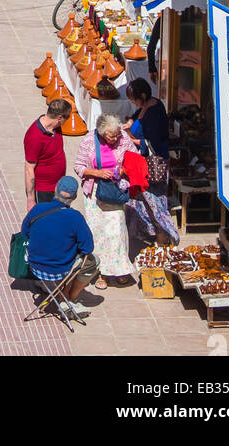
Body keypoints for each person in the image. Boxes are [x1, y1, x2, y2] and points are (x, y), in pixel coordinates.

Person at [73, 113, 138, 288]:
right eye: (111, 135)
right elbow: (78, 166)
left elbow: (135, 158)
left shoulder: (123, 138)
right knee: (98, 233)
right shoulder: (88, 141)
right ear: (101, 133)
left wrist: (123, 170)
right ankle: (102, 273)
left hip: (115, 192)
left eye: (117, 134)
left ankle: (119, 269)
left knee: (117, 230)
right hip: (95, 193)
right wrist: (98, 173)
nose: (115, 138)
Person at [20, 176, 99, 317]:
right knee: (94, 262)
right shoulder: (75, 217)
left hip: (35, 267)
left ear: (55, 190)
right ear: (74, 197)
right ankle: (70, 297)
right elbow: (88, 248)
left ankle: (58, 292)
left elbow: (25, 233)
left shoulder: (38, 209)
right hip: (61, 270)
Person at [124, 79, 180, 246]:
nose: (133, 102)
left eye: (134, 99)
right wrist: (128, 124)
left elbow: (154, 141)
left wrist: (130, 140)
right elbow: (134, 120)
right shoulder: (145, 107)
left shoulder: (154, 112)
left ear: (142, 95)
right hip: (143, 162)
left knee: (155, 201)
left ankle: (164, 235)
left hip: (155, 163)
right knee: (141, 199)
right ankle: (149, 232)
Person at [23, 98, 73, 211]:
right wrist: (31, 199)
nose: (68, 120)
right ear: (60, 117)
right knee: (46, 222)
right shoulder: (34, 136)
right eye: (67, 117)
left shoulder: (56, 127)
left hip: (58, 186)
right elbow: (29, 169)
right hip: (43, 191)